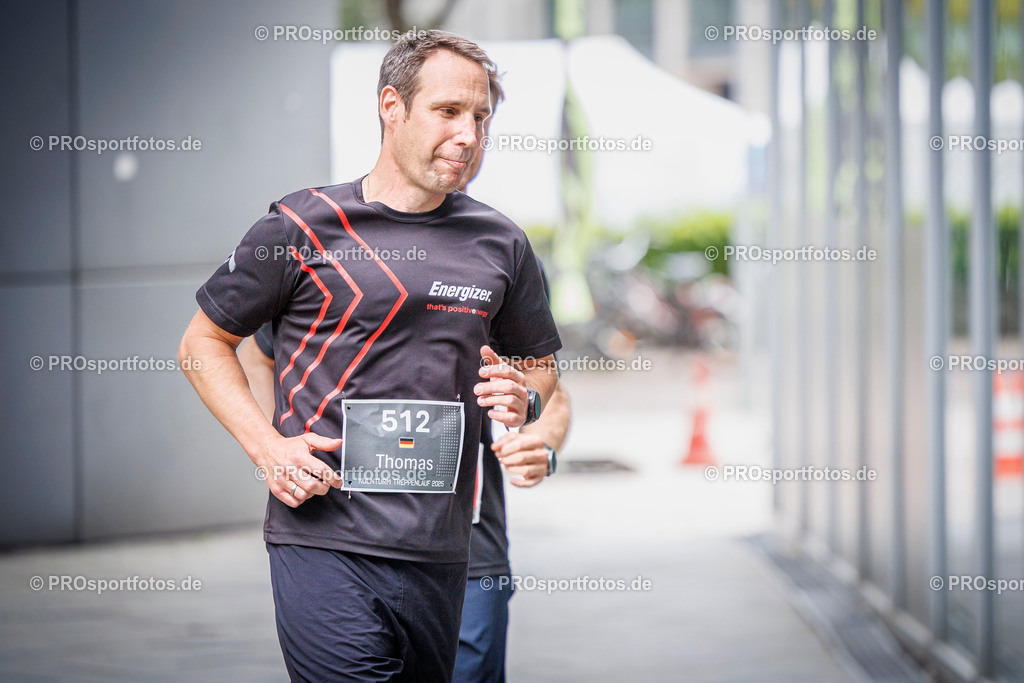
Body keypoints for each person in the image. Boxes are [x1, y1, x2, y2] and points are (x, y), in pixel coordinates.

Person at [179, 30, 560, 681]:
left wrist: (523, 397)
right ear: (392, 106)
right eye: (448, 111)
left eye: (481, 117)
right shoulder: (302, 226)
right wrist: (268, 447)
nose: (469, 134)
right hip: (326, 538)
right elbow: (202, 343)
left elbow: (539, 367)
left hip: (445, 552)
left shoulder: (500, 243)